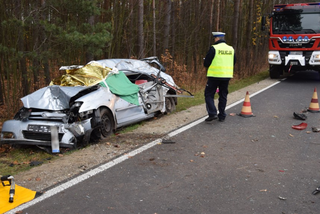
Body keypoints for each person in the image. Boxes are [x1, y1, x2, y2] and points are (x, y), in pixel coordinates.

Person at [203, 32, 236, 122]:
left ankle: (213, 113)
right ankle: (222, 115)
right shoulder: (231, 49)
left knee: (208, 94)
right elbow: (234, 61)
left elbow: (206, 63)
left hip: (214, 75)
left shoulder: (214, 48)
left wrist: (205, 61)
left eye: (215, 38)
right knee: (223, 95)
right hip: (226, 76)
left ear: (217, 38)